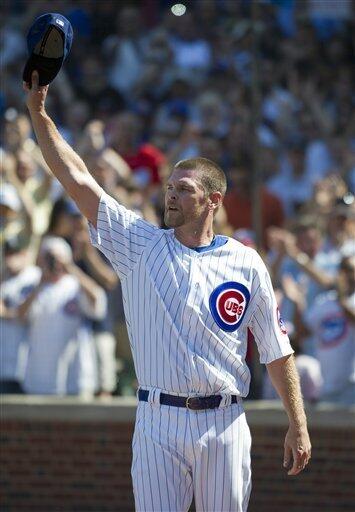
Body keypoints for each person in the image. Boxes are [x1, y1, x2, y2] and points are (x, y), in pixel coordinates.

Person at [23, 71, 311, 512]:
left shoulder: (246, 260)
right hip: (157, 417)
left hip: (226, 419)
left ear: (213, 201)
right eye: (169, 187)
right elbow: (77, 178)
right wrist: (38, 113)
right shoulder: (139, 244)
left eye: (184, 189)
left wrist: (298, 423)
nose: (170, 195)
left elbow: (277, 351)